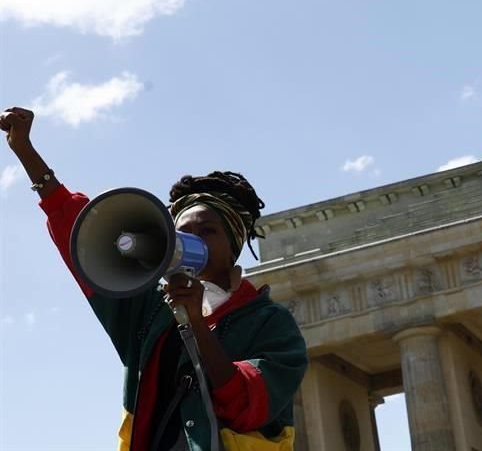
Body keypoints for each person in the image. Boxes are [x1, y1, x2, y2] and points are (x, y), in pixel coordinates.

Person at [1, 106, 308, 451]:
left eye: (208, 231)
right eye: (182, 231)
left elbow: (246, 405)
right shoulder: (151, 310)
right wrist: (25, 151)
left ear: (233, 247)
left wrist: (195, 323)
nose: (192, 238)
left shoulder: (269, 322)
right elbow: (84, 233)